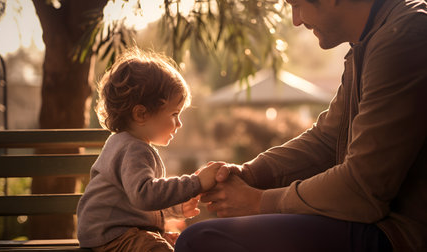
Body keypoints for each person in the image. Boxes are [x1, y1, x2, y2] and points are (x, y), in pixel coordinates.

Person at [175, 0, 427, 251]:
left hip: (399, 235)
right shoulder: (370, 40)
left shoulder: (403, 37)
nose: (296, 20)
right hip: (376, 223)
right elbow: (326, 139)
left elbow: (363, 187)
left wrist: (257, 201)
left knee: (202, 239)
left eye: (297, 5)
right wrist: (249, 173)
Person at [76, 47, 221, 252]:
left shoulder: (123, 143)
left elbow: (135, 201)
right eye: (173, 114)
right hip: (114, 236)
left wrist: (175, 210)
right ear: (141, 114)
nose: (178, 124)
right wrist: (196, 183)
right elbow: (145, 195)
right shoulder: (134, 149)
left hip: (109, 233)